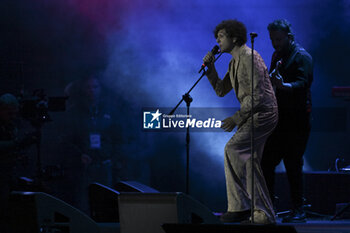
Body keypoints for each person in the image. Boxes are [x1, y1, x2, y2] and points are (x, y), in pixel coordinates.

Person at [203, 19, 278, 224]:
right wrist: (210, 69)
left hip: (263, 113)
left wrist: (236, 118)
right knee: (248, 160)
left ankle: (240, 207)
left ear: (234, 38)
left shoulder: (249, 57)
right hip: (251, 114)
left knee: (233, 149)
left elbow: (259, 96)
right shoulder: (234, 61)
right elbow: (220, 89)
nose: (217, 40)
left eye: (221, 36)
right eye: (216, 37)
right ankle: (261, 213)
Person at [261, 19, 313, 223]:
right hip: (280, 119)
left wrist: (283, 86)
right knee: (266, 162)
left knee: (293, 164)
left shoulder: (302, 57)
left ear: (289, 37)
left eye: (279, 39)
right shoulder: (277, 55)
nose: (275, 43)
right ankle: (268, 206)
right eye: (272, 40)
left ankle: (298, 209)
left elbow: (303, 83)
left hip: (298, 120)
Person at [58, 75, 123, 214]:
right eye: (88, 87)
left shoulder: (110, 110)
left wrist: (113, 158)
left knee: (106, 206)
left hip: (105, 166)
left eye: (95, 87)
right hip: (84, 168)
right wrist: (79, 155)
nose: (92, 90)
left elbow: (118, 137)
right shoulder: (74, 112)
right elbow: (67, 139)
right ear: (83, 89)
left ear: (100, 89)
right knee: (84, 206)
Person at [0, 93, 37, 232]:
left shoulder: (11, 126)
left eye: (15, 113)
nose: (13, 116)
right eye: (9, 113)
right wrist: (17, 143)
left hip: (10, 174)